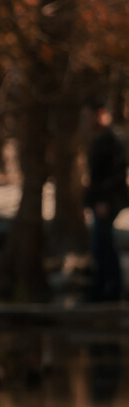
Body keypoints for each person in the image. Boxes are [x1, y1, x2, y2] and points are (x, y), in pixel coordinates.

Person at [84, 101, 127, 303]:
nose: (87, 121)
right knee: (101, 245)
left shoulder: (111, 139)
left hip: (108, 201)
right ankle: (104, 290)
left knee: (104, 245)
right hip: (102, 200)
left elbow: (115, 174)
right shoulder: (101, 138)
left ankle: (108, 291)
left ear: (100, 114)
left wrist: (103, 200)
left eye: (89, 116)